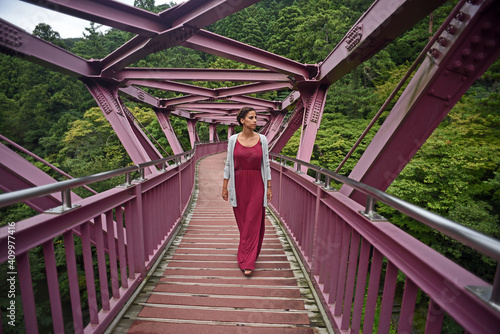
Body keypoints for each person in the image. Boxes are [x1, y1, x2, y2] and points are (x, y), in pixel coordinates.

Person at [222, 107, 272, 276]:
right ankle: (250, 251)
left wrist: (269, 187)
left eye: (256, 117)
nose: (255, 120)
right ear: (242, 120)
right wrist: (225, 186)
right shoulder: (233, 140)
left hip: (257, 183)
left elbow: (266, 164)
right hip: (239, 185)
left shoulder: (263, 139)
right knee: (244, 224)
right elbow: (229, 163)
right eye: (251, 117)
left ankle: (247, 261)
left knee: (252, 221)